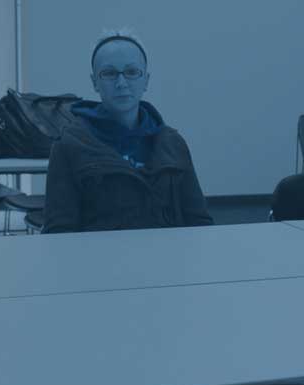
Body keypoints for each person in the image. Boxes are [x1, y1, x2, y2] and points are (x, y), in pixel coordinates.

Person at [43, 29, 213, 233]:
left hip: (169, 260)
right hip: (100, 262)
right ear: (95, 82)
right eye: (109, 73)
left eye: (132, 72)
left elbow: (199, 223)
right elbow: (59, 233)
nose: (121, 83)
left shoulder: (172, 143)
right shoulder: (69, 146)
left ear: (146, 80)